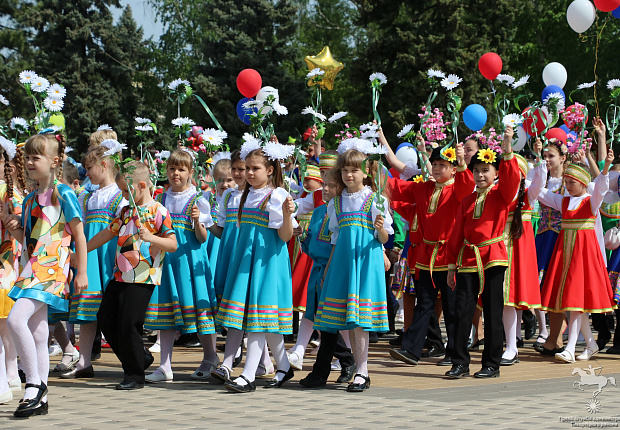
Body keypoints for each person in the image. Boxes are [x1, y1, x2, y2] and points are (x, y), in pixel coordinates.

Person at [2, 132, 88, 417]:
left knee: (16, 319)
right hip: (32, 266)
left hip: (51, 267)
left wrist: (82, 271)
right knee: (39, 332)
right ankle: (41, 398)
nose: (29, 161)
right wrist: (9, 222)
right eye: (26, 156)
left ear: (54, 161)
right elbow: (27, 239)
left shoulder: (62, 192)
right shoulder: (28, 200)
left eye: (35, 157)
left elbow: (78, 231)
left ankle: (34, 385)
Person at [89, 161, 177, 390]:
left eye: (126, 191)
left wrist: (152, 238)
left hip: (143, 276)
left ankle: (134, 375)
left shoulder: (159, 211)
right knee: (106, 319)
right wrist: (80, 249)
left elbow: (173, 243)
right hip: (120, 274)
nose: (124, 196)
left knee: (129, 324)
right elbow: (108, 233)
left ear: (141, 185)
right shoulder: (126, 211)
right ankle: (140, 356)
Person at [387, 137, 475, 368]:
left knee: (451, 307)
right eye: (434, 165)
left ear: (453, 169)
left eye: (442, 165)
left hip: (449, 257)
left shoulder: (457, 189)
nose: (436, 169)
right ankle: (411, 349)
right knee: (424, 304)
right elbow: (396, 188)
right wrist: (373, 173)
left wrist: (463, 164)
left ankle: (454, 354)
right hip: (426, 257)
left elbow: (468, 185)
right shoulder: (423, 188)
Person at [215, 146, 296, 393]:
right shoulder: (241, 196)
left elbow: (284, 237)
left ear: (270, 171)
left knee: (258, 318)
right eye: (247, 168)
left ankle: (248, 374)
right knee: (263, 318)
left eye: (255, 168)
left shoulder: (277, 195)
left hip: (268, 262)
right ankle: (283, 365)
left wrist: (285, 216)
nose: (249, 173)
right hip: (246, 261)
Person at [313, 148, 393, 392]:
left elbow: (382, 238)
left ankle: (362, 371)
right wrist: (329, 268)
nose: (349, 175)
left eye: (354, 170)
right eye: (345, 171)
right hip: (342, 264)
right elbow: (336, 238)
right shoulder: (336, 203)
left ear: (366, 172)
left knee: (360, 320)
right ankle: (351, 367)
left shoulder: (375, 200)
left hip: (365, 262)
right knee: (339, 316)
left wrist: (379, 228)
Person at [445, 126, 519, 379]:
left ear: (496, 172)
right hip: (467, 259)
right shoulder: (467, 200)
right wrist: (451, 265)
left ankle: (491, 364)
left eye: (485, 170)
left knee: (492, 311)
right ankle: (459, 362)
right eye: (476, 171)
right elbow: (457, 233)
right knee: (462, 311)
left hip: (493, 258)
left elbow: (512, 181)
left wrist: (507, 149)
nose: (479, 175)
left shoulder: (502, 194)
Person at [144, 149, 219, 383]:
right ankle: (165, 365)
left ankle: (211, 357)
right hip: (167, 262)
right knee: (166, 311)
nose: (176, 173)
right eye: (172, 168)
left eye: (181, 169)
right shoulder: (162, 199)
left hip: (190, 261)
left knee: (199, 311)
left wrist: (198, 221)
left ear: (191, 173)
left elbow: (203, 238)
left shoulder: (198, 200)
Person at [538, 149, 616, 363]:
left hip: (584, 256)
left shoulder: (592, 201)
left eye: (572, 182)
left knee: (575, 302)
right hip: (565, 255)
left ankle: (571, 348)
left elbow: (601, 186)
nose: (568, 186)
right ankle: (590, 343)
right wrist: (538, 168)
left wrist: (607, 166)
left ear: (583, 183)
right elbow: (540, 193)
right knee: (572, 301)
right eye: (566, 181)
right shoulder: (563, 202)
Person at [59, 145, 126, 379]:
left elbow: (120, 229)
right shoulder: (87, 195)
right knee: (87, 312)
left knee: (114, 312)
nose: (86, 173)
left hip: (109, 257)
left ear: (104, 165)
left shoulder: (119, 195)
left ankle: (133, 357)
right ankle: (84, 362)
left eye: (89, 168)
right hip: (90, 258)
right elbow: (81, 227)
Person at [500, 152, 544, 365]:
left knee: (513, 299)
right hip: (500, 249)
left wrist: (540, 158)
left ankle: (512, 346)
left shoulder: (528, 195)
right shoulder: (497, 195)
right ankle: (511, 344)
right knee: (505, 300)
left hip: (520, 252)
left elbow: (539, 182)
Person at [535, 138, 567, 354]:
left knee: (558, 289)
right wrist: (537, 156)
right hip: (543, 237)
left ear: (563, 158)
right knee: (545, 289)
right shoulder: (543, 179)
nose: (547, 160)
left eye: (550, 156)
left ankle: (557, 337)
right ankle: (554, 339)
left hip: (560, 239)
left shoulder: (568, 181)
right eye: (545, 156)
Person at [0, 142, 25, 403]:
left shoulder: (11, 194)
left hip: (6, 260)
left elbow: (20, 223)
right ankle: (8, 373)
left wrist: (9, 217)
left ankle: (11, 371)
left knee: (5, 322)